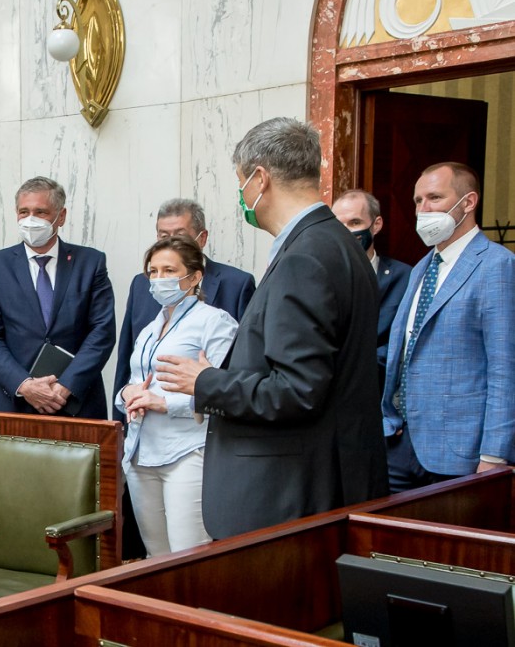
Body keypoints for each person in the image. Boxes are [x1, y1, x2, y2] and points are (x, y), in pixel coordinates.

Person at [157, 117, 388, 540]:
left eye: (241, 182)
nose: (242, 196)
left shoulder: (305, 257)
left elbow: (297, 390)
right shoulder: (339, 244)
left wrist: (206, 382)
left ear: (260, 179)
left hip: (289, 492)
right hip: (326, 478)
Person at [381, 162, 515, 492]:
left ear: (468, 202)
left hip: (461, 456)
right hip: (400, 444)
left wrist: (494, 456)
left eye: (435, 198)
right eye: (418, 201)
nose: (423, 210)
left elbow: (505, 368)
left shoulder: (497, 265)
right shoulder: (421, 269)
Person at [116, 236, 237, 555]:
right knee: (156, 556)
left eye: (169, 270)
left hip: (187, 451)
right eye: (153, 271)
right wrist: (128, 393)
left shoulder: (215, 322)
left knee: (188, 555)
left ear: (195, 277)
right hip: (141, 452)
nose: (159, 279)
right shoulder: (150, 329)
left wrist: (162, 403)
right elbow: (135, 381)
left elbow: (224, 392)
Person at [0, 176, 116, 419]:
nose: (30, 220)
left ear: (61, 216)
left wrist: (67, 385)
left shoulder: (91, 263)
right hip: (14, 405)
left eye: (40, 212)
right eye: (24, 212)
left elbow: (102, 331)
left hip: (77, 404)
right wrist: (25, 385)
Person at [114, 198, 254, 411]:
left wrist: (167, 404)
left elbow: (239, 372)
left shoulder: (236, 284)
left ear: (202, 238)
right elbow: (127, 357)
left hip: (198, 422)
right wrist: (123, 401)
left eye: (180, 236)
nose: (171, 243)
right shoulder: (142, 284)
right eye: (164, 236)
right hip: (140, 423)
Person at [331, 189, 411, 392]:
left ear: (376, 225)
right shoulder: (321, 276)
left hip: (382, 391)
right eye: (339, 225)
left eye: (355, 223)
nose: (346, 232)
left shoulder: (405, 277)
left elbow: (404, 341)